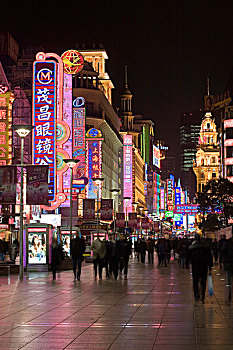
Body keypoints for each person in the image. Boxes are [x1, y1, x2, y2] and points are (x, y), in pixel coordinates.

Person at [189, 234, 213, 303]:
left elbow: (189, 257)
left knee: (195, 281)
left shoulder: (192, 247)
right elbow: (209, 257)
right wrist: (210, 266)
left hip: (195, 266)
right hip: (204, 266)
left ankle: (196, 295)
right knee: (203, 281)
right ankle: (203, 296)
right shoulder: (205, 247)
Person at [222, 237, 233, 301]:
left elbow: (223, 251)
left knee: (229, 274)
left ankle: (229, 287)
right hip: (229, 261)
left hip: (229, 262)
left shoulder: (227, 242)